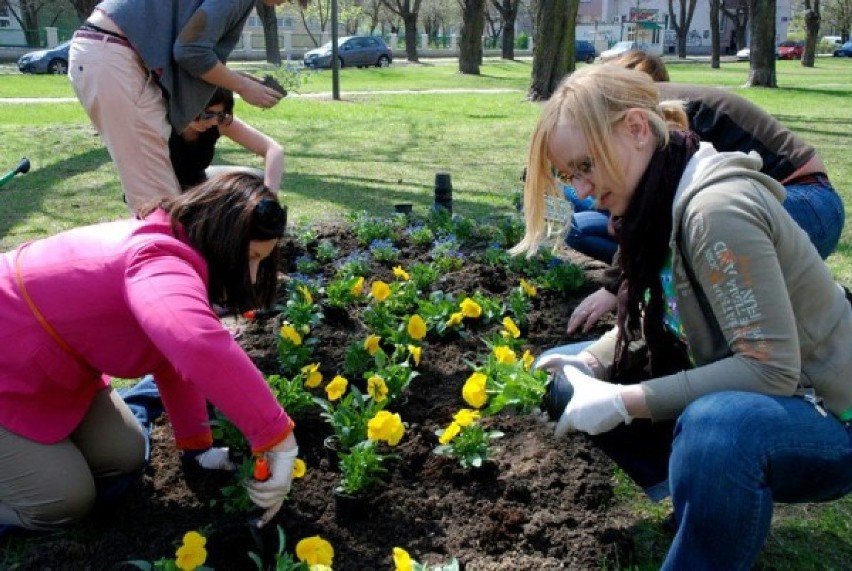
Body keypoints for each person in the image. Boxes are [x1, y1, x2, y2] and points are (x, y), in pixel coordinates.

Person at [513, 65, 852, 569]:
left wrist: (624, 401)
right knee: (566, 376)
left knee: (716, 429)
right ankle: (710, 504)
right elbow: (667, 315)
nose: (581, 190)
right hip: (776, 394)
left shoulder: (714, 211)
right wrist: (587, 361)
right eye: (569, 175)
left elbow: (771, 370)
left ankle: (713, 516)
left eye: (585, 166)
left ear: (636, 128)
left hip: (828, 411)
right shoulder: (660, 197)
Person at [0, 173, 298, 533]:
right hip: (10, 368)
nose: (252, 276)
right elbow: (195, 344)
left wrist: (197, 447)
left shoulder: (173, 246)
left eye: (261, 262)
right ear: (224, 237)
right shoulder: (156, 260)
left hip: (47, 370)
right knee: (63, 502)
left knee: (124, 454)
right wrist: (276, 436)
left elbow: (170, 357)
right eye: (250, 256)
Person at [565, 51, 844, 335]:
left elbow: (656, 212)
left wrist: (616, 285)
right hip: (770, 204)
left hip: (809, 201)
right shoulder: (628, 114)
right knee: (597, 223)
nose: (582, 184)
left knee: (690, 228)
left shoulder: (654, 113)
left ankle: (807, 298)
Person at [69, 0, 290, 214]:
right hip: (116, 54)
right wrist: (243, 86)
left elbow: (192, 46)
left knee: (160, 203)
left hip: (112, 51)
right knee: (158, 205)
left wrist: (243, 81)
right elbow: (191, 51)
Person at [170, 87, 285, 193]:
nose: (214, 121)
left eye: (220, 114)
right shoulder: (161, 124)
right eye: (208, 114)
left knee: (256, 180)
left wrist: (270, 196)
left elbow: (273, 149)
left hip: (198, 186)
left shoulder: (219, 123)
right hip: (162, 190)